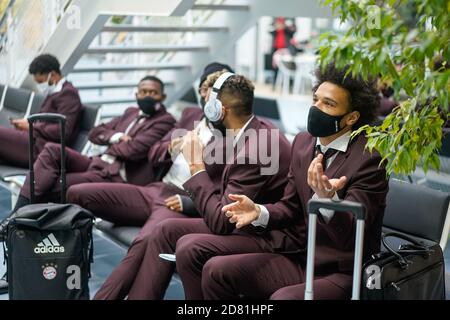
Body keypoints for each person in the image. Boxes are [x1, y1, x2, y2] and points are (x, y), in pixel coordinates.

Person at [164, 63, 388, 300]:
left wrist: (327, 199)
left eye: (328, 104)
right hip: (300, 255)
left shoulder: (370, 157)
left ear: (351, 117)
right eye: (315, 99)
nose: (316, 108)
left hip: (340, 270)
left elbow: (353, 232)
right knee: (215, 270)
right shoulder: (303, 142)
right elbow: (290, 206)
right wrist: (259, 212)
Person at [91, 72, 292, 300]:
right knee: (165, 230)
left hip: (265, 233)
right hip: (240, 222)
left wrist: (196, 164)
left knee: (185, 243)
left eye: (208, 103)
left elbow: (220, 223)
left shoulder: (253, 149)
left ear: (218, 110)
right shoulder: (249, 131)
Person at [0, 54, 83, 168]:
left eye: (40, 82)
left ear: (52, 75)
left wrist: (31, 126)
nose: (39, 86)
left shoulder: (68, 94)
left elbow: (64, 131)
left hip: (43, 149)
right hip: (35, 142)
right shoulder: (54, 92)